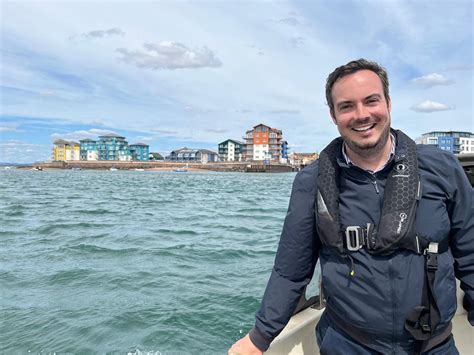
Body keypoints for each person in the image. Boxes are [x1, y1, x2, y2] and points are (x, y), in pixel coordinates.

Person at [228, 59, 473, 355]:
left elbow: (471, 252)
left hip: (434, 345)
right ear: (333, 115)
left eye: (371, 101)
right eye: (346, 106)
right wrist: (259, 338)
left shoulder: (442, 168)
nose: (361, 115)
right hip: (348, 344)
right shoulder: (311, 182)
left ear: (389, 103)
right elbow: (290, 271)